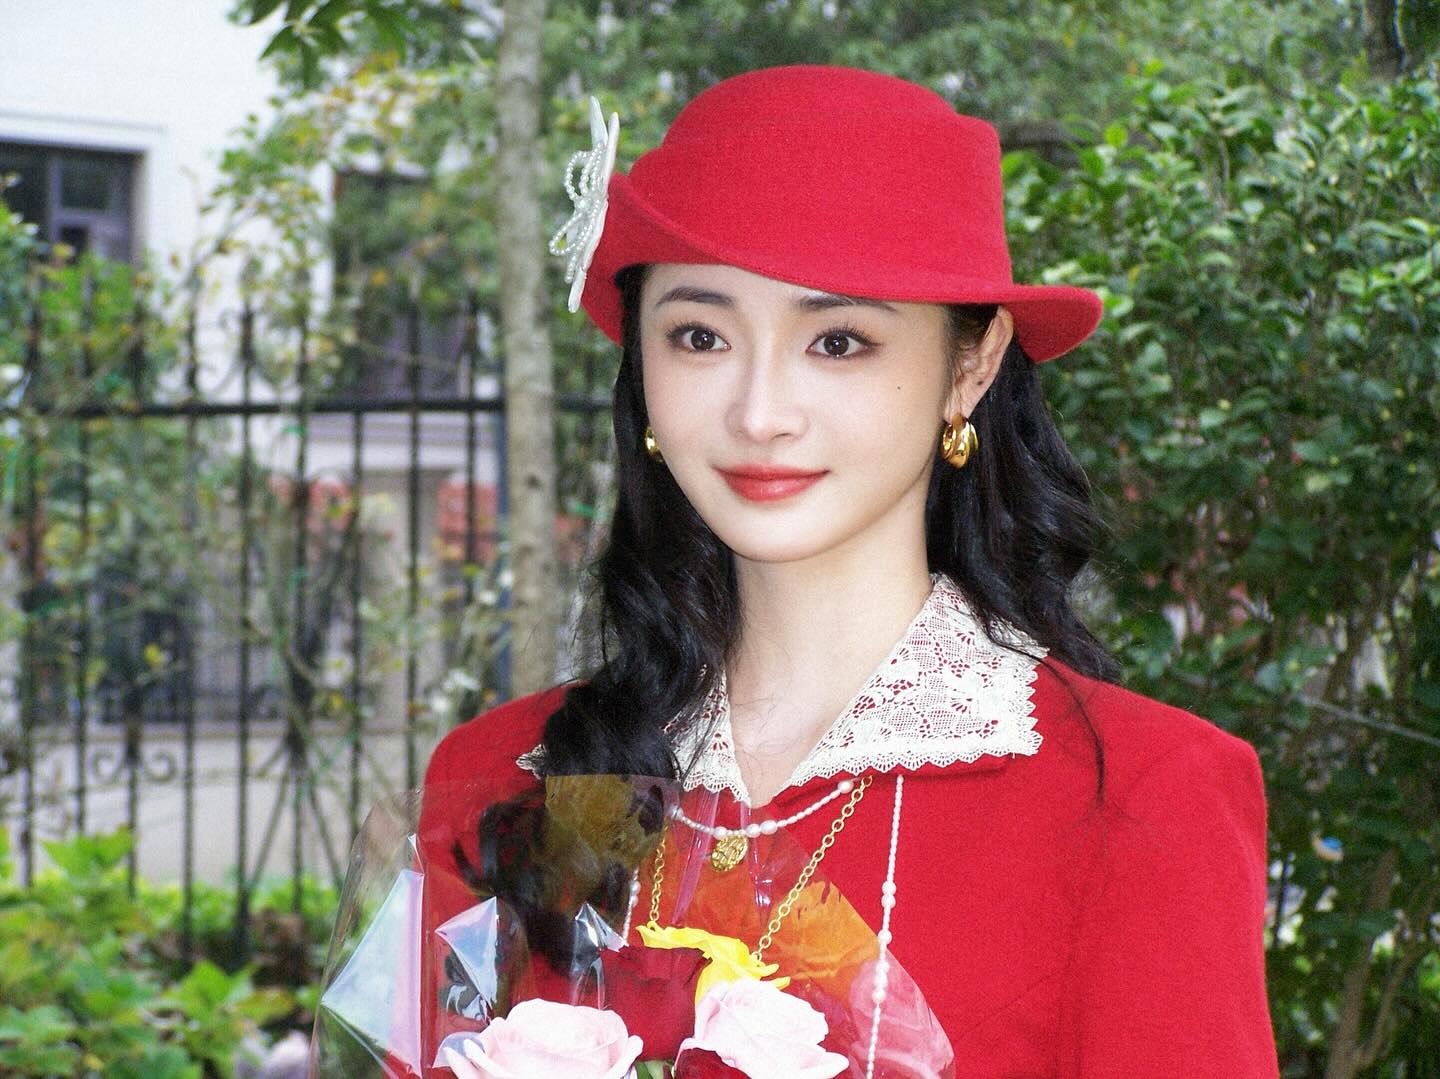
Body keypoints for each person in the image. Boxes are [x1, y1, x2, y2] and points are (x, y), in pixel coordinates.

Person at [421, 66, 1279, 1076]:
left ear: (971, 366)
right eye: (700, 336)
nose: (759, 412)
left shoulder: (1139, 798)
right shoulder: (501, 779)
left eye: (838, 341)